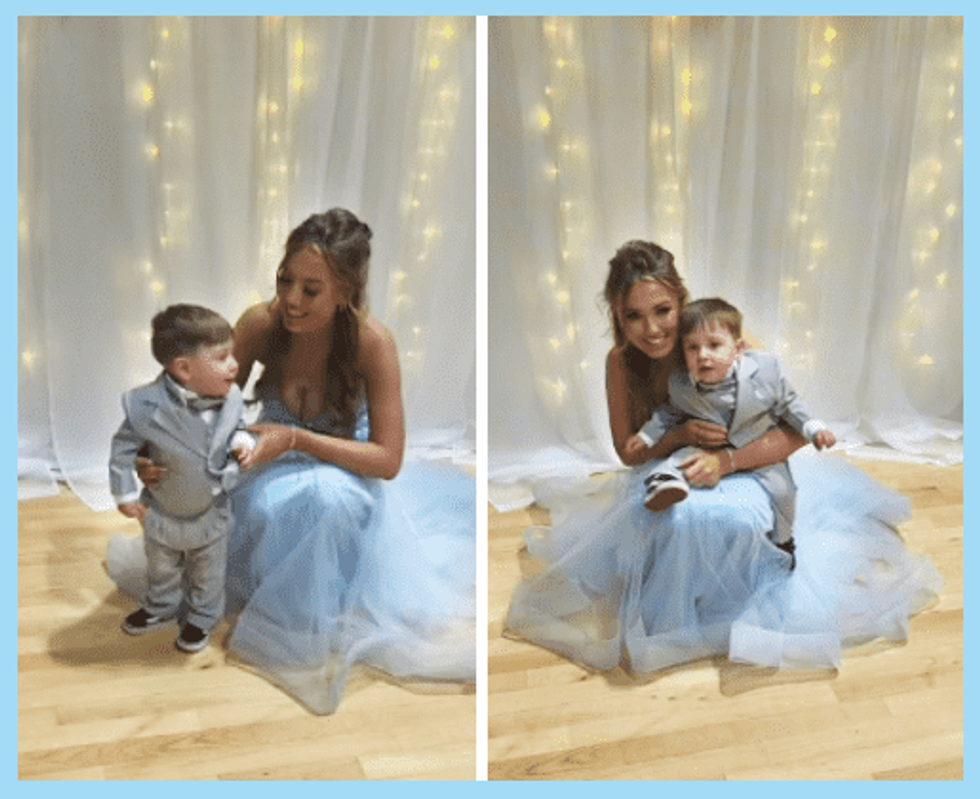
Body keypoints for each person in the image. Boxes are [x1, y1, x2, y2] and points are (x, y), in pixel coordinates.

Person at [504, 239, 942, 674]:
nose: (652, 329)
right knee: (674, 517)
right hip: (671, 461)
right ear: (617, 315)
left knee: (733, 517)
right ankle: (678, 604)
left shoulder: (719, 338)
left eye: (662, 311)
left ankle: (738, 583)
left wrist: (726, 463)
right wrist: (677, 437)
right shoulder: (621, 362)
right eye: (633, 316)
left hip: (748, 460)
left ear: (681, 300)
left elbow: (792, 431)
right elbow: (626, 452)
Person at [107, 209, 475, 715]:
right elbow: (201, 407)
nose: (291, 300)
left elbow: (387, 460)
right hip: (270, 461)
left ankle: (300, 622)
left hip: (347, 467)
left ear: (346, 291)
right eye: (285, 281)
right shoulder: (261, 324)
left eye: (310, 289)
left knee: (329, 502)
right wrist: (154, 458)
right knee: (236, 505)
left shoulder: (374, 344)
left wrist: (297, 439)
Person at [635, 298, 837, 569]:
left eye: (714, 345)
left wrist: (814, 427)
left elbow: (788, 403)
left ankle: (784, 541)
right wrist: (646, 436)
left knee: (783, 490)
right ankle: (664, 484)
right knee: (680, 458)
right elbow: (668, 412)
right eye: (692, 348)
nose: (703, 354)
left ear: (738, 349)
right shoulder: (681, 384)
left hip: (756, 448)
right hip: (709, 447)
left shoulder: (764, 370)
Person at [108, 304, 255, 654]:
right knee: (161, 566)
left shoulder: (231, 399)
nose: (234, 365)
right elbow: (123, 447)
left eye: (232, 355)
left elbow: (238, 427)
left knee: (209, 573)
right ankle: (161, 607)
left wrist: (242, 441)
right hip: (165, 507)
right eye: (222, 357)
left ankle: (202, 618)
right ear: (184, 369)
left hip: (211, 507)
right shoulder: (146, 405)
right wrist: (125, 492)